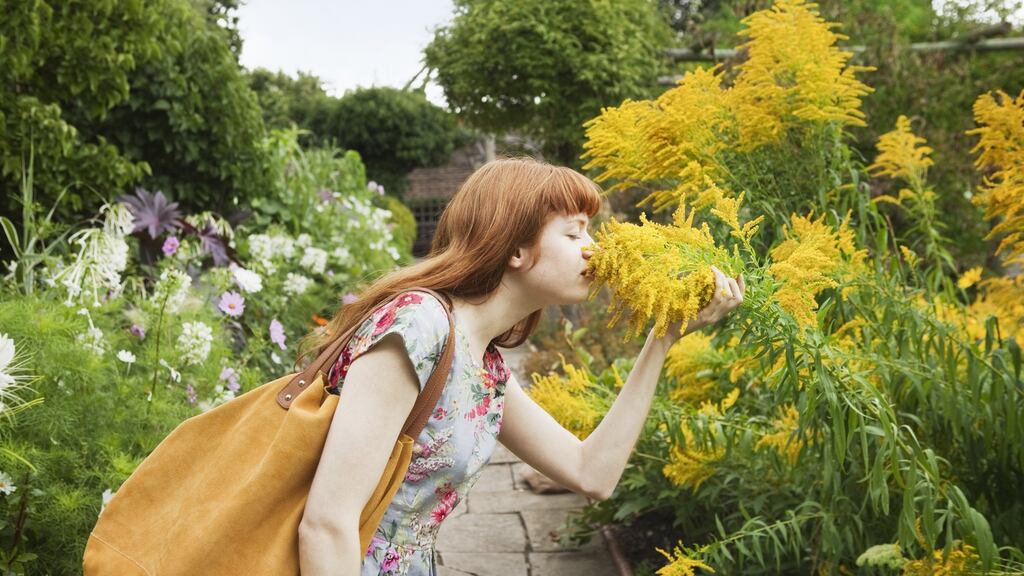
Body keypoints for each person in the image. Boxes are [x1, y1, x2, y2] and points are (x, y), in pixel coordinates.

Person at [296, 157, 745, 575]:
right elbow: (327, 523)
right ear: (515, 249)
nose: (593, 249)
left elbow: (592, 473)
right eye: (574, 234)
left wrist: (662, 339)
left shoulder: (482, 364)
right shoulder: (418, 325)